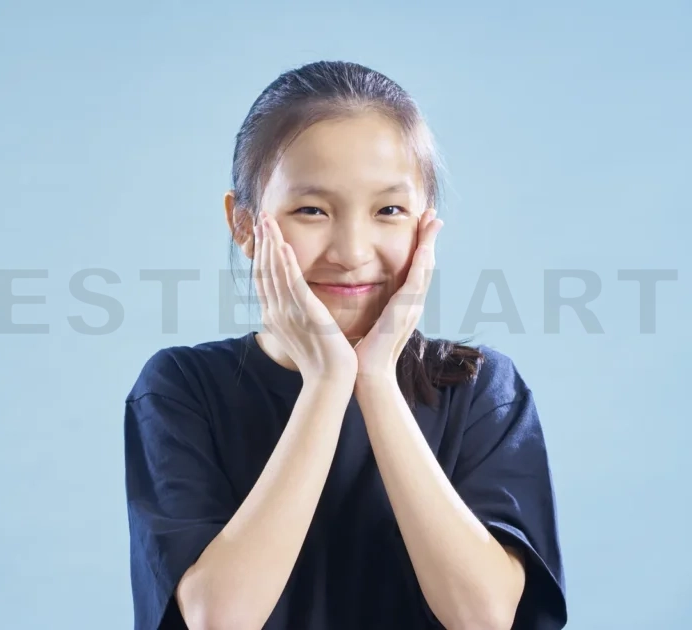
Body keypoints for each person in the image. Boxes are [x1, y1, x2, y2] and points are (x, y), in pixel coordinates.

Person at [123, 60, 566, 630]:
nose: (353, 251)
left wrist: (375, 381)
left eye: (389, 211)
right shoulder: (180, 389)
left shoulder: (482, 392)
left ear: (424, 226)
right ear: (244, 224)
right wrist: (328, 383)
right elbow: (218, 619)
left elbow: (484, 617)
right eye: (312, 210)